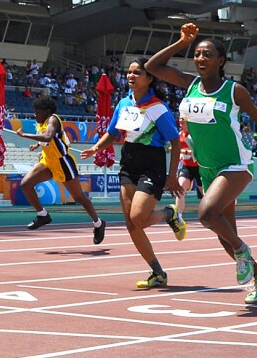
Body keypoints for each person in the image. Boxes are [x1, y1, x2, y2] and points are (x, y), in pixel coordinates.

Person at [145, 23, 257, 304]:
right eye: (196, 54)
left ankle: (243, 252)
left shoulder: (234, 91)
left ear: (221, 60)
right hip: (207, 169)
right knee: (225, 236)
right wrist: (183, 42)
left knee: (206, 215)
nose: (200, 59)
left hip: (235, 165)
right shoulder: (191, 84)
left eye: (207, 54)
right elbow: (152, 65)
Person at [80, 58, 184, 288]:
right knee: (131, 223)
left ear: (149, 78)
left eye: (137, 73)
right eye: (129, 72)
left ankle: (169, 214)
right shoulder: (123, 103)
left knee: (139, 217)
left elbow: (175, 143)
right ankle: (157, 273)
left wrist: (172, 175)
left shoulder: (158, 107)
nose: (131, 76)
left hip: (152, 164)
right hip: (128, 163)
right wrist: (97, 147)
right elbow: (114, 133)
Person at [16, 96, 106, 244]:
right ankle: (42, 215)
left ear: (47, 111)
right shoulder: (41, 122)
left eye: (37, 112)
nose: (34, 115)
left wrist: (24, 135)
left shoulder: (53, 119)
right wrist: (37, 146)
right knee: (25, 184)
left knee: (79, 198)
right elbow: (50, 139)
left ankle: (98, 223)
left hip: (62, 163)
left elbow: (48, 136)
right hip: (47, 161)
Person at [175, 117, 204, 219]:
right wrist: (180, 156)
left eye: (182, 119)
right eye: (179, 119)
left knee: (205, 193)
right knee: (180, 188)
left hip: (199, 167)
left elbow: (199, 152)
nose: (180, 121)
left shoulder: (195, 135)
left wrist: (185, 152)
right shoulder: (179, 135)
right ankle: (178, 216)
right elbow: (178, 150)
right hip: (186, 166)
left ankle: (214, 213)